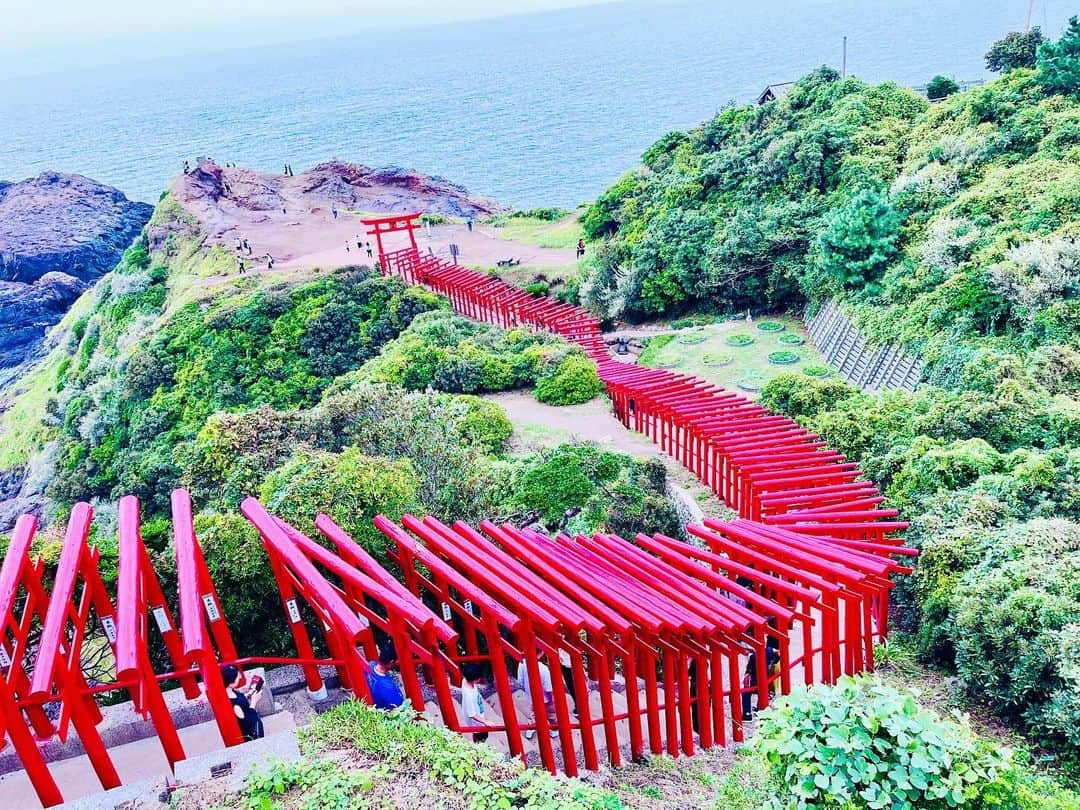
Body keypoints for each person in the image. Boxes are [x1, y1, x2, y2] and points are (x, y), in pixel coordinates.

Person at [517, 649, 558, 739]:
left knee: (534, 713)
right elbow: (548, 687)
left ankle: (530, 729)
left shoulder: (522, 663)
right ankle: (554, 730)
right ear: (542, 652)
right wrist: (553, 699)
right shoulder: (543, 668)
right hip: (545, 697)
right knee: (551, 714)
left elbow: (520, 681)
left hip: (531, 695)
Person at [221, 664, 264, 740]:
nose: (240, 677)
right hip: (252, 733)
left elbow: (239, 699)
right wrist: (254, 702)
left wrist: (248, 694)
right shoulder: (234, 705)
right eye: (238, 676)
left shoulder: (229, 692)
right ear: (231, 683)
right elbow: (247, 721)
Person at [365, 646, 404, 710]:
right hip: (383, 712)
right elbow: (399, 707)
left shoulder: (370, 664)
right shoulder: (388, 686)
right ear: (391, 662)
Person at [460, 663, 491, 743]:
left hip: (478, 711)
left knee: (478, 734)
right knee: (481, 736)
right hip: (477, 723)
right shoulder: (469, 695)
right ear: (475, 679)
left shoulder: (465, 680)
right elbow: (472, 714)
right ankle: (478, 746)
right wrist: (485, 722)